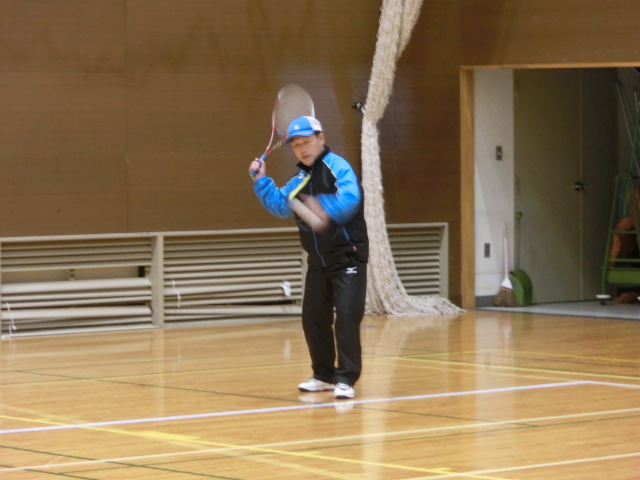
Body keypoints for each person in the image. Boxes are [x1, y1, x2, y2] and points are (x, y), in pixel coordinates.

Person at [248, 116, 368, 399]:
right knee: (313, 319)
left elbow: (350, 197)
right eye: (296, 145)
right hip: (318, 262)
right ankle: (324, 375)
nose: (302, 149)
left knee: (346, 319)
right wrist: (261, 180)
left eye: (306, 142)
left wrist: (323, 207)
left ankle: (346, 379)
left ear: (320, 139)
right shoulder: (300, 180)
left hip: (347, 258)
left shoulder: (337, 167)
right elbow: (281, 205)